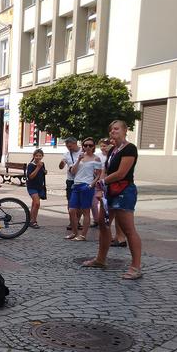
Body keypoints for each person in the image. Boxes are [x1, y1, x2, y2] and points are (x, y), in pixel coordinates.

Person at [83, 120, 142, 280]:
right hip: (110, 191)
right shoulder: (113, 150)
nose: (112, 132)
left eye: (116, 129)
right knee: (103, 222)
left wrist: (103, 182)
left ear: (125, 130)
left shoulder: (130, 148)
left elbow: (122, 173)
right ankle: (101, 259)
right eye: (110, 130)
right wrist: (101, 188)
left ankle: (136, 267)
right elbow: (105, 170)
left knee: (128, 229)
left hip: (124, 191)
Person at [66, 137, 102, 241]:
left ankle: (83, 235)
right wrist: (78, 160)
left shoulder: (96, 158)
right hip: (76, 185)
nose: (88, 147)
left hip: (86, 186)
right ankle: (74, 232)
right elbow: (72, 171)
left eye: (90, 145)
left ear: (94, 147)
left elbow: (99, 174)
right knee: (72, 210)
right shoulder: (80, 157)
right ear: (83, 146)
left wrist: (91, 185)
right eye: (85, 145)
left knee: (85, 211)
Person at [59, 136, 82, 231]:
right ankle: (72, 222)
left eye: (70, 146)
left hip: (81, 179)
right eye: (67, 146)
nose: (69, 148)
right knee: (70, 201)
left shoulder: (83, 152)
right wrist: (61, 163)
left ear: (75, 143)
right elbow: (61, 166)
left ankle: (77, 221)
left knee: (80, 202)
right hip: (70, 180)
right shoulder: (67, 154)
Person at [25, 149, 46, 229]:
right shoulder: (31, 165)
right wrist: (37, 167)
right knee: (37, 203)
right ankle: (33, 221)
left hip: (39, 187)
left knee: (34, 204)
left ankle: (31, 220)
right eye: (36, 156)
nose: (38, 157)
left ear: (42, 156)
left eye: (40, 156)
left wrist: (44, 171)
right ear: (34, 156)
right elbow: (30, 177)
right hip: (32, 187)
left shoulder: (42, 164)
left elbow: (42, 173)